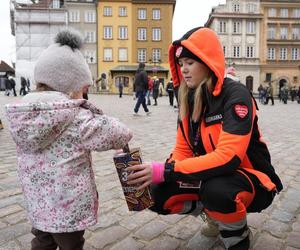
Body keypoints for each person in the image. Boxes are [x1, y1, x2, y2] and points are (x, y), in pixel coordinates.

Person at [126, 27, 282, 250]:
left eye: (190, 62)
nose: (184, 70)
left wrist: (167, 171)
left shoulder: (236, 94)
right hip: (208, 176)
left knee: (217, 191)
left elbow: (229, 158)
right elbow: (183, 150)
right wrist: (156, 173)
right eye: (181, 64)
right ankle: (212, 214)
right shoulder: (188, 99)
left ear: (208, 62)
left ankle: (237, 237)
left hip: (251, 179)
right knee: (153, 192)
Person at [5, 29, 133, 250]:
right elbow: (117, 133)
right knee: (71, 245)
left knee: (42, 241)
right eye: (84, 90)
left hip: (39, 207)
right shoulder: (76, 118)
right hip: (68, 209)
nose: (84, 95)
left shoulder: (22, 115)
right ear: (71, 86)